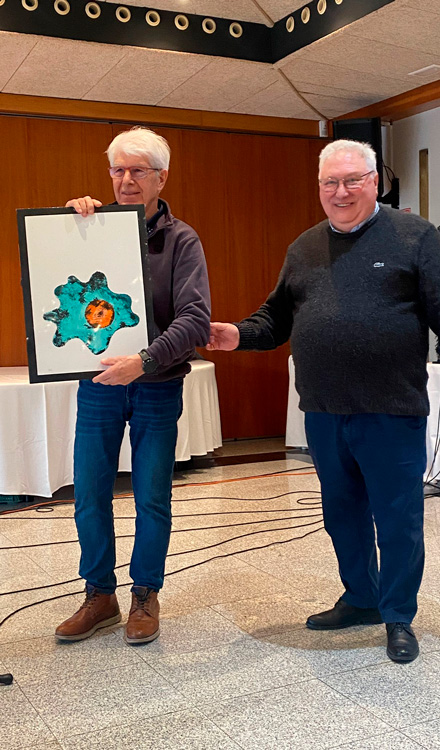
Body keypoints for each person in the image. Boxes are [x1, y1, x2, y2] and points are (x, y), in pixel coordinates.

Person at [208, 139, 440, 664]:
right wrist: (238, 335)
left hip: (391, 411)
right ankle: (362, 597)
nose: (341, 191)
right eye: (330, 182)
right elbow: (276, 318)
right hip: (325, 411)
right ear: (319, 187)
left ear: (375, 182)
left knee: (397, 519)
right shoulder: (304, 247)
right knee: (342, 515)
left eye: (353, 180)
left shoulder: (415, 237)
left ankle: (397, 615)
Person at [55, 126, 211, 645]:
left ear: (161, 178)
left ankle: (145, 593)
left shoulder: (182, 240)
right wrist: (67, 228)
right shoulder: (89, 226)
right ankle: (100, 595)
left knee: (152, 497)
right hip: (99, 383)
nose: (125, 180)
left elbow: (195, 321)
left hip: (157, 385)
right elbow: (58, 283)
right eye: (117, 170)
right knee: (89, 495)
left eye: (137, 171)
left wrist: (143, 362)